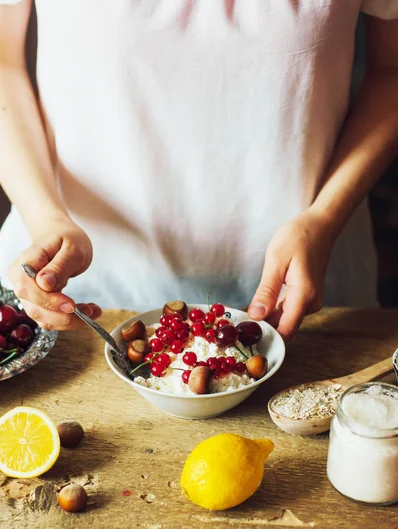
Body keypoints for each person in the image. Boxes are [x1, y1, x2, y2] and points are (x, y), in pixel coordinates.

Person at [0, 1, 397, 341]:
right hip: (81, 297)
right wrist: (45, 218)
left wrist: (324, 219)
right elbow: (4, 62)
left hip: (311, 292)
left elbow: (390, 71)